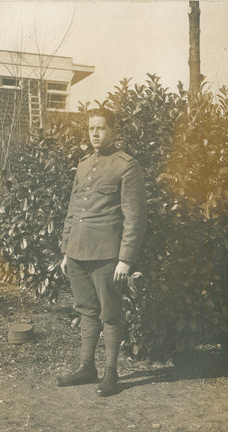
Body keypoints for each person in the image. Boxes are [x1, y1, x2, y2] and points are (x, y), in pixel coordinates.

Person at [57, 108, 147, 396]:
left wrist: (126, 259)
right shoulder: (83, 165)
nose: (95, 133)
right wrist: (65, 250)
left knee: (110, 313)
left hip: (107, 254)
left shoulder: (126, 166)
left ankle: (111, 373)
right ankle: (86, 368)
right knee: (86, 310)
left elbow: (134, 217)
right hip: (77, 252)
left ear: (113, 131)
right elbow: (73, 211)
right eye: (91, 128)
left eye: (101, 128)